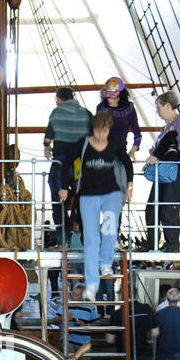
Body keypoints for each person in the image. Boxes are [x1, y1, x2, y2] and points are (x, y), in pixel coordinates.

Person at [58, 112, 133, 302]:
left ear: (109, 130)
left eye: (105, 131)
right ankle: (92, 283)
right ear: (94, 129)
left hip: (111, 194)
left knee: (109, 229)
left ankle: (106, 263)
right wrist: (64, 187)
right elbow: (66, 162)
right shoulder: (83, 144)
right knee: (91, 238)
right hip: (88, 195)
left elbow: (127, 162)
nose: (101, 135)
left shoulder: (113, 144)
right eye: (99, 131)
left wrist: (130, 186)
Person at [144, 90, 180, 252]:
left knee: (169, 207)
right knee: (152, 207)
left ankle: (172, 244)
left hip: (175, 170)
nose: (158, 112)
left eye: (159, 107)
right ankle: (152, 243)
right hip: (164, 172)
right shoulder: (166, 128)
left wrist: (159, 154)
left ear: (168, 106)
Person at [43, 86, 92, 246]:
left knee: (58, 201)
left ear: (58, 98)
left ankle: (64, 240)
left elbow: (48, 139)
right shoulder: (86, 113)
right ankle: (86, 238)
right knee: (83, 201)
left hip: (61, 162)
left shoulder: (56, 113)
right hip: (81, 164)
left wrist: (47, 148)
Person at [96, 77, 143, 160]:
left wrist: (133, 150)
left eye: (112, 96)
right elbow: (96, 130)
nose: (109, 99)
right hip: (103, 152)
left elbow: (137, 133)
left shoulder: (129, 108)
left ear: (120, 95)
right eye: (107, 95)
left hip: (121, 151)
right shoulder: (101, 107)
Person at [65, 282, 97, 360]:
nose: (74, 296)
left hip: (84, 344)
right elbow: (54, 320)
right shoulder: (67, 305)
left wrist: (86, 325)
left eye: (77, 295)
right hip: (69, 342)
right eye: (73, 294)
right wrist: (64, 318)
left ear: (83, 296)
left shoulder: (90, 307)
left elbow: (97, 324)